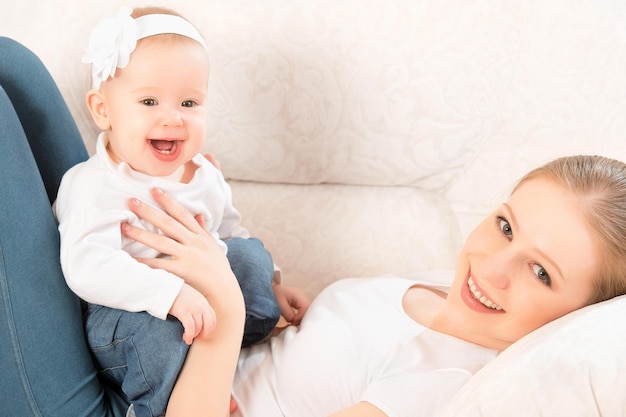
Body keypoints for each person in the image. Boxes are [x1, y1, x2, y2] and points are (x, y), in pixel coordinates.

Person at [3, 35, 626, 417]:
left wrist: (219, 297)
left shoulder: (437, 388)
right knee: (14, 68)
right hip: (143, 325)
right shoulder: (448, 286)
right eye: (507, 227)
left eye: (542, 273)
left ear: (579, 314)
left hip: (131, 404)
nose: (494, 266)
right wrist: (270, 288)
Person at [54, 7, 308, 417]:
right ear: (103, 110)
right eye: (149, 101)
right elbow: (85, 266)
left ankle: (218, 356)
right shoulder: (94, 186)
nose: (172, 117)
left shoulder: (205, 175)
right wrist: (168, 294)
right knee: (157, 337)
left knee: (250, 258)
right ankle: (157, 403)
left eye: (189, 102)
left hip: (201, 293)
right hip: (125, 312)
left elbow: (230, 230)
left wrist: (273, 283)